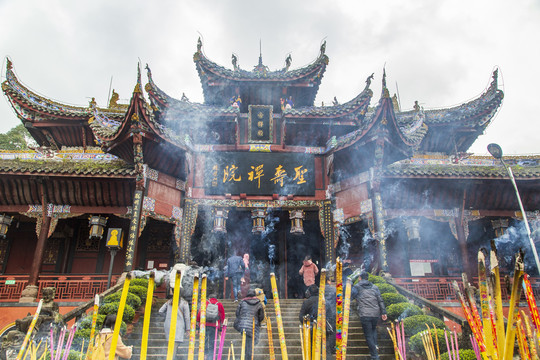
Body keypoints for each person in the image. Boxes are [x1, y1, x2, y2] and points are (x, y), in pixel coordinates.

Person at [352, 272, 387, 360]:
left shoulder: (357, 287)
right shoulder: (375, 287)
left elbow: (351, 297)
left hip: (365, 314)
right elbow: (380, 300)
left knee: (368, 335)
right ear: (367, 278)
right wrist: (383, 312)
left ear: (360, 278)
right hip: (375, 313)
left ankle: (375, 355)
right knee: (373, 330)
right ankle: (375, 345)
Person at [234, 289, 265, 359]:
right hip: (253, 326)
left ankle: (246, 357)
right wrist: (257, 321)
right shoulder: (259, 303)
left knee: (247, 345)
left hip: (244, 326)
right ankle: (248, 357)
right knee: (250, 345)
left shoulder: (242, 302)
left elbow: (237, 314)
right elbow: (261, 317)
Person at [158, 293, 190, 359]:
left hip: (169, 325)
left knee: (171, 345)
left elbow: (160, 311)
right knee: (174, 346)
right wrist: (188, 329)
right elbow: (187, 317)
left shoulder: (168, 302)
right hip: (179, 326)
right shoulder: (184, 303)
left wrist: (167, 317)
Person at [197, 294, 225, 360]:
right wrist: (220, 329)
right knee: (212, 341)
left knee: (205, 340)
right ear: (216, 298)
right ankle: (211, 356)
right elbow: (222, 316)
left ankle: (205, 355)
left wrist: (197, 326)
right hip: (215, 326)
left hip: (205, 325)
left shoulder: (206, 303)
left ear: (209, 298)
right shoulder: (219, 304)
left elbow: (199, 314)